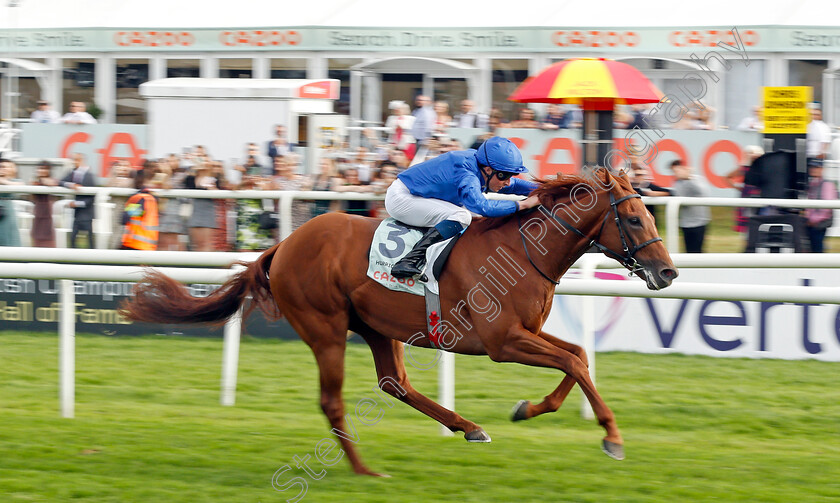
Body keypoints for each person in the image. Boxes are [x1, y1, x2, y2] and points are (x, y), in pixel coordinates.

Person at [384, 136, 540, 279]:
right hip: (402, 199)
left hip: (416, 195)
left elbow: (513, 186)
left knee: (467, 216)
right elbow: (482, 207)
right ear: (488, 170)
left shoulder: (481, 166)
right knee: (462, 216)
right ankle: (409, 261)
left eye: (510, 176)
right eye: (504, 176)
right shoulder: (467, 174)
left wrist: (546, 188)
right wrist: (523, 204)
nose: (507, 181)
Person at [669, 159, 711, 253]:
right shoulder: (677, 183)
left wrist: (688, 178)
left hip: (700, 222)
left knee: (698, 251)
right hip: (686, 223)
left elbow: (703, 193)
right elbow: (679, 197)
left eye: (677, 170)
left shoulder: (698, 179)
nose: (675, 173)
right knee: (689, 251)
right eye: (674, 171)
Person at [60, 152, 97, 248]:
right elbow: (61, 181)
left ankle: (93, 259)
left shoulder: (89, 176)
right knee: (73, 238)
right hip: (77, 214)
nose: (74, 162)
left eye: (76, 160)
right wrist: (71, 185)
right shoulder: (72, 173)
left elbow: (91, 197)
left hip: (87, 213)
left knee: (89, 240)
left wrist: (76, 204)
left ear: (81, 161)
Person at [120, 168, 159, 250]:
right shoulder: (153, 197)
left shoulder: (139, 197)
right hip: (149, 246)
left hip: (135, 245)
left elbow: (124, 218)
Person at [804, 160, 838, 253]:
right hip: (813, 223)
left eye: (816, 167)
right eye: (812, 167)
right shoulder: (812, 184)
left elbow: (826, 207)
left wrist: (813, 220)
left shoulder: (827, 185)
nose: (813, 169)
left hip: (819, 223)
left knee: (817, 248)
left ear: (822, 169)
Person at [30, 160, 59, 247]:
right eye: (40, 168)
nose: (41, 171)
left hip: (47, 214)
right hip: (38, 213)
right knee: (36, 239)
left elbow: (52, 183)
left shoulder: (50, 180)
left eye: (44, 169)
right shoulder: (36, 182)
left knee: (48, 241)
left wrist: (41, 179)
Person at [0, 158, 23, 247]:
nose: (4, 169)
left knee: (10, 235)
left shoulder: (13, 181)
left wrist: (3, 181)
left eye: (7, 167)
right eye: (2, 167)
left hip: (8, 211)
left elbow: (21, 185)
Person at [410, 95, 436, 161]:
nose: (419, 102)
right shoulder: (416, 111)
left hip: (423, 139)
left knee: (421, 158)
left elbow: (428, 126)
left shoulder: (428, 112)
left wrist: (426, 139)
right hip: (416, 138)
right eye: (418, 100)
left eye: (422, 100)